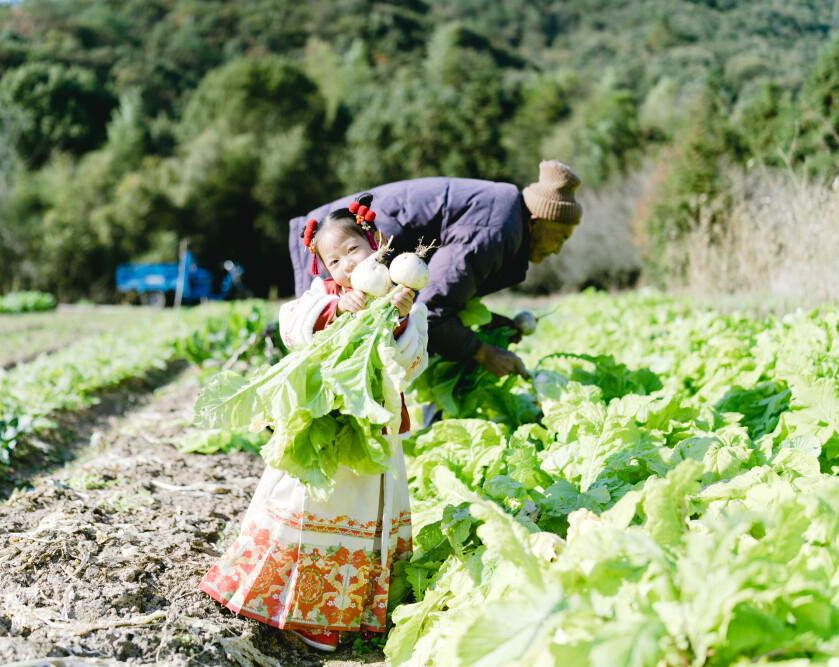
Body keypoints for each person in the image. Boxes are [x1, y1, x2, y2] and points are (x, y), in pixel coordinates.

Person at [200, 193, 429, 652]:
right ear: (324, 269)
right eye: (334, 259)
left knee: (362, 511)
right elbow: (292, 327)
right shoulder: (322, 297)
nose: (346, 264)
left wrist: (399, 319)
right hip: (320, 420)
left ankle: (337, 612)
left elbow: (412, 362)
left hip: (373, 429)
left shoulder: (407, 305)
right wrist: (338, 311)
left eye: (354, 251)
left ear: (377, 247)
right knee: (304, 501)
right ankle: (268, 588)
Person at [288, 160, 583, 380]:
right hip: (333, 246)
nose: (558, 249)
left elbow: (446, 292)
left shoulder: (504, 217)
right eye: (561, 236)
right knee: (322, 365)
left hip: (342, 248)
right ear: (537, 220)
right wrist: (483, 352)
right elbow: (433, 308)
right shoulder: (495, 230)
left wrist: (493, 323)